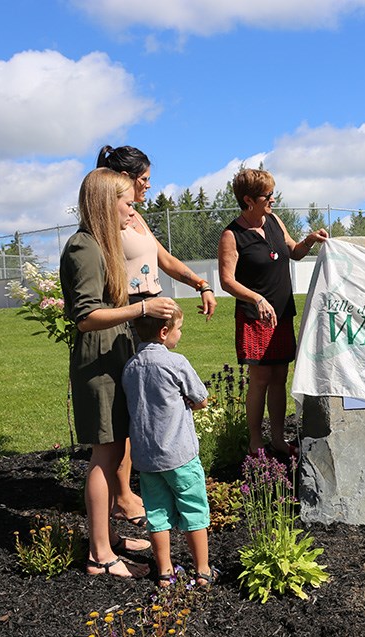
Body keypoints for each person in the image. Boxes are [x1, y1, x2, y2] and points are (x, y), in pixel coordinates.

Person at [60, 168, 178, 578]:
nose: (133, 210)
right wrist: (142, 307)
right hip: (99, 361)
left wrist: (138, 300)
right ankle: (99, 554)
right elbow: (86, 316)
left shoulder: (100, 244)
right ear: (106, 203)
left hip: (115, 352)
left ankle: (107, 537)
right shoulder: (83, 247)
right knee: (104, 454)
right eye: (127, 203)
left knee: (115, 452)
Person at [97, 145, 217, 527]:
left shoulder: (136, 218)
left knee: (154, 400)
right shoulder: (108, 220)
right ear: (125, 178)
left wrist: (200, 284)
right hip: (131, 314)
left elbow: (163, 259)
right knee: (133, 405)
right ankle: (123, 495)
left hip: (152, 312)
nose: (148, 185)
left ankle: (141, 483)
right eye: (144, 179)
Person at [217, 168, 329, 457]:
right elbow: (227, 281)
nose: (273, 200)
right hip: (255, 316)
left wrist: (310, 240)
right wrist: (256, 299)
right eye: (267, 195)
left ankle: (278, 439)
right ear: (248, 200)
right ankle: (256, 442)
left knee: (280, 376)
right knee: (261, 378)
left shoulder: (275, 221)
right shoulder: (232, 235)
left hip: (282, 313)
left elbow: (294, 252)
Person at [123, 306, 217, 587]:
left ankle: (164, 573)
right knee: (194, 509)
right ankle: (203, 571)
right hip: (180, 455)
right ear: (164, 332)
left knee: (157, 514)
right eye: (179, 329)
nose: (180, 334)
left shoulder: (130, 367)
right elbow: (201, 399)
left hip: (147, 458)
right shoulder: (175, 362)